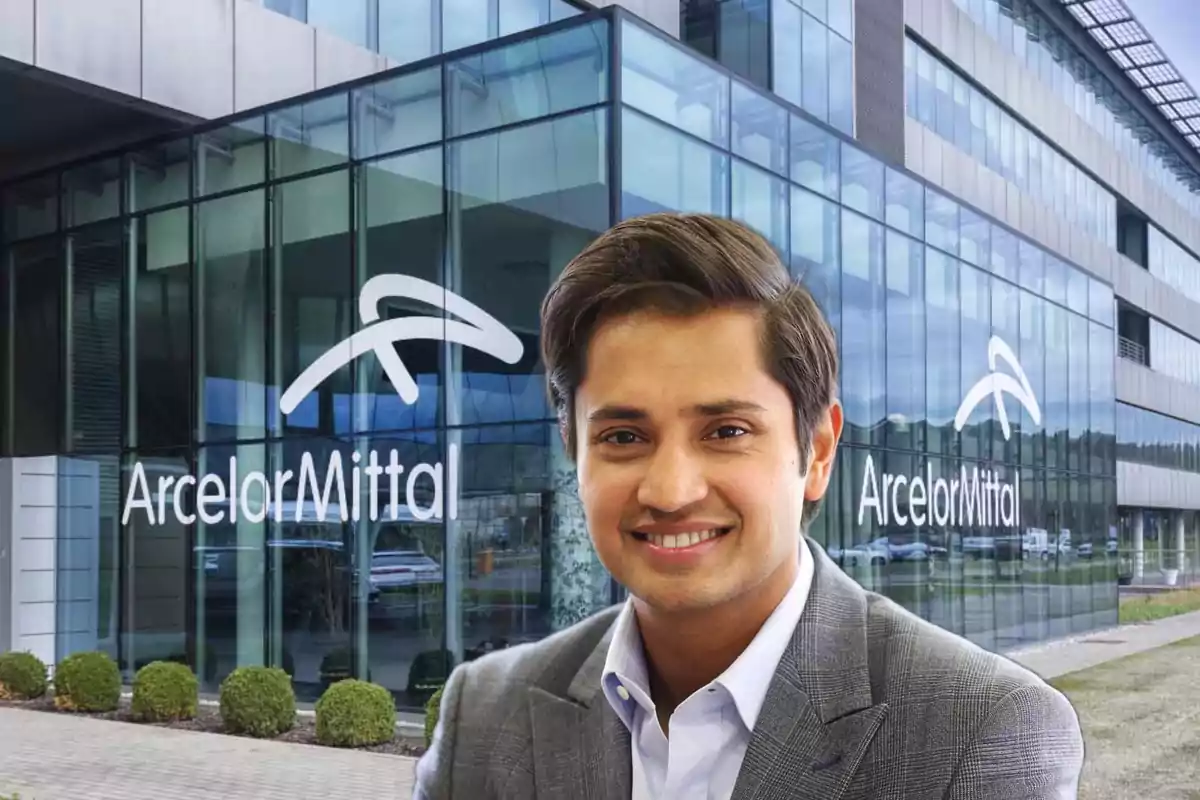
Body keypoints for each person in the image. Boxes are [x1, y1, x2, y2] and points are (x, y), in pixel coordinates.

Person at [413, 212, 1084, 799]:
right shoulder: (484, 715)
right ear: (575, 453)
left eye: (726, 432)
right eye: (623, 437)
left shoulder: (979, 732)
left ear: (817, 452)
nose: (670, 491)